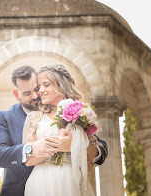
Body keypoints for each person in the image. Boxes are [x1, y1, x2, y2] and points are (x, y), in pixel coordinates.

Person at [0, 65, 108, 196]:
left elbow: (98, 148)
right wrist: (32, 149)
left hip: (71, 181)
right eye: (27, 93)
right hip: (33, 185)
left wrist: (73, 146)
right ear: (16, 95)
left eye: (37, 88)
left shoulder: (78, 113)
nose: (37, 94)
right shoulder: (8, 117)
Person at [23, 64, 102, 196]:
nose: (40, 91)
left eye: (46, 85)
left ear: (61, 85)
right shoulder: (34, 117)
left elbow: (89, 165)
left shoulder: (81, 115)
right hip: (42, 182)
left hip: (72, 180)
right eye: (39, 87)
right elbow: (28, 161)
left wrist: (73, 146)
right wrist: (54, 147)